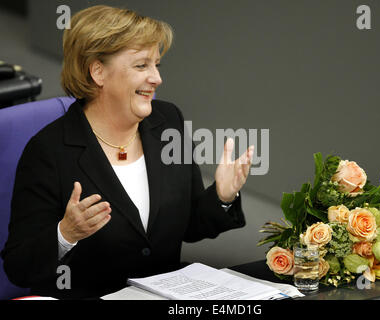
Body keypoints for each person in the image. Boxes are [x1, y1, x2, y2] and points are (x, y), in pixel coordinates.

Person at [1, 5, 254, 299]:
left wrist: (222, 196)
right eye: (141, 66)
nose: (157, 78)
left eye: (157, 64)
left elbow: (189, 226)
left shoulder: (167, 122)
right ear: (98, 72)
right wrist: (65, 234)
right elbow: (18, 267)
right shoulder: (48, 151)